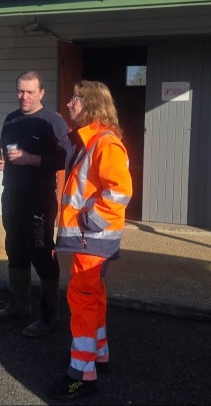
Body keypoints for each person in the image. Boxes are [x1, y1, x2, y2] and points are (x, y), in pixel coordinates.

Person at [48, 80, 132, 400]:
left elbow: (120, 193)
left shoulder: (105, 143)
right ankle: (98, 355)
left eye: (76, 99)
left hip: (92, 239)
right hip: (91, 239)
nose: (70, 103)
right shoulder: (93, 140)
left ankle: (81, 375)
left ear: (92, 104)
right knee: (92, 296)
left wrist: (87, 222)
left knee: (81, 301)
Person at [0, 70, 70, 337]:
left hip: (39, 197)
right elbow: (1, 150)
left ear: (41, 93)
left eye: (30, 92)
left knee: (42, 252)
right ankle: (19, 305)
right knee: (14, 248)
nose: (24, 96)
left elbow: (65, 157)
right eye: (20, 91)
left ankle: (49, 317)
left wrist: (31, 159)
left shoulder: (53, 121)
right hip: (12, 194)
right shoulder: (10, 118)